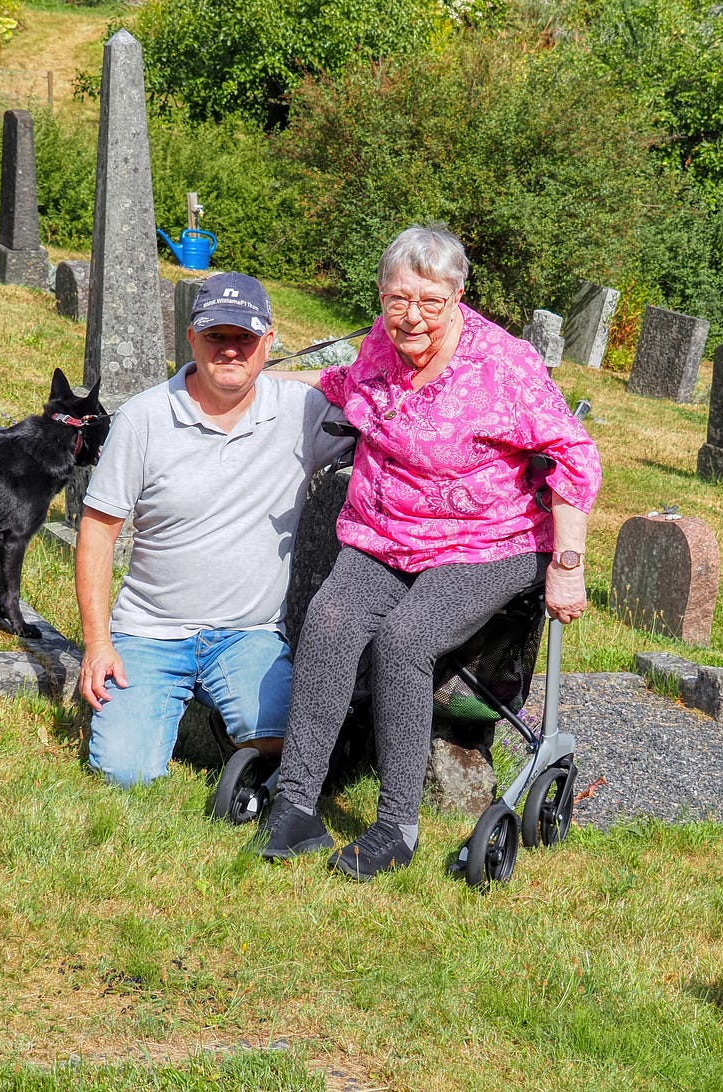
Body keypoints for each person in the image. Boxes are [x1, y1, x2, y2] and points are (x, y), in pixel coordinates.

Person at [258, 224, 602, 880]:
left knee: (405, 640)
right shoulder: (381, 346)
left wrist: (568, 565)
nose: (411, 316)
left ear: (457, 296)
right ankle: (295, 806)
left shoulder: (503, 366)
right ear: (381, 297)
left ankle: (396, 827)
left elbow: (574, 454)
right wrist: (250, 376)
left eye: (430, 302)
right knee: (329, 620)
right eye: (397, 299)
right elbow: (344, 385)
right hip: (386, 532)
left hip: (488, 541)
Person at [75, 272, 352, 787]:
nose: (230, 349)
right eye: (216, 336)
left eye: (245, 337)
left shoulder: (300, 411)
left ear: (269, 341)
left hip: (249, 634)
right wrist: (97, 644)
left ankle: (234, 722)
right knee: (125, 775)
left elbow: (380, 388)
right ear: (191, 338)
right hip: (151, 632)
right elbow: (98, 530)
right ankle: (170, 707)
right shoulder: (143, 418)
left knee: (299, 747)